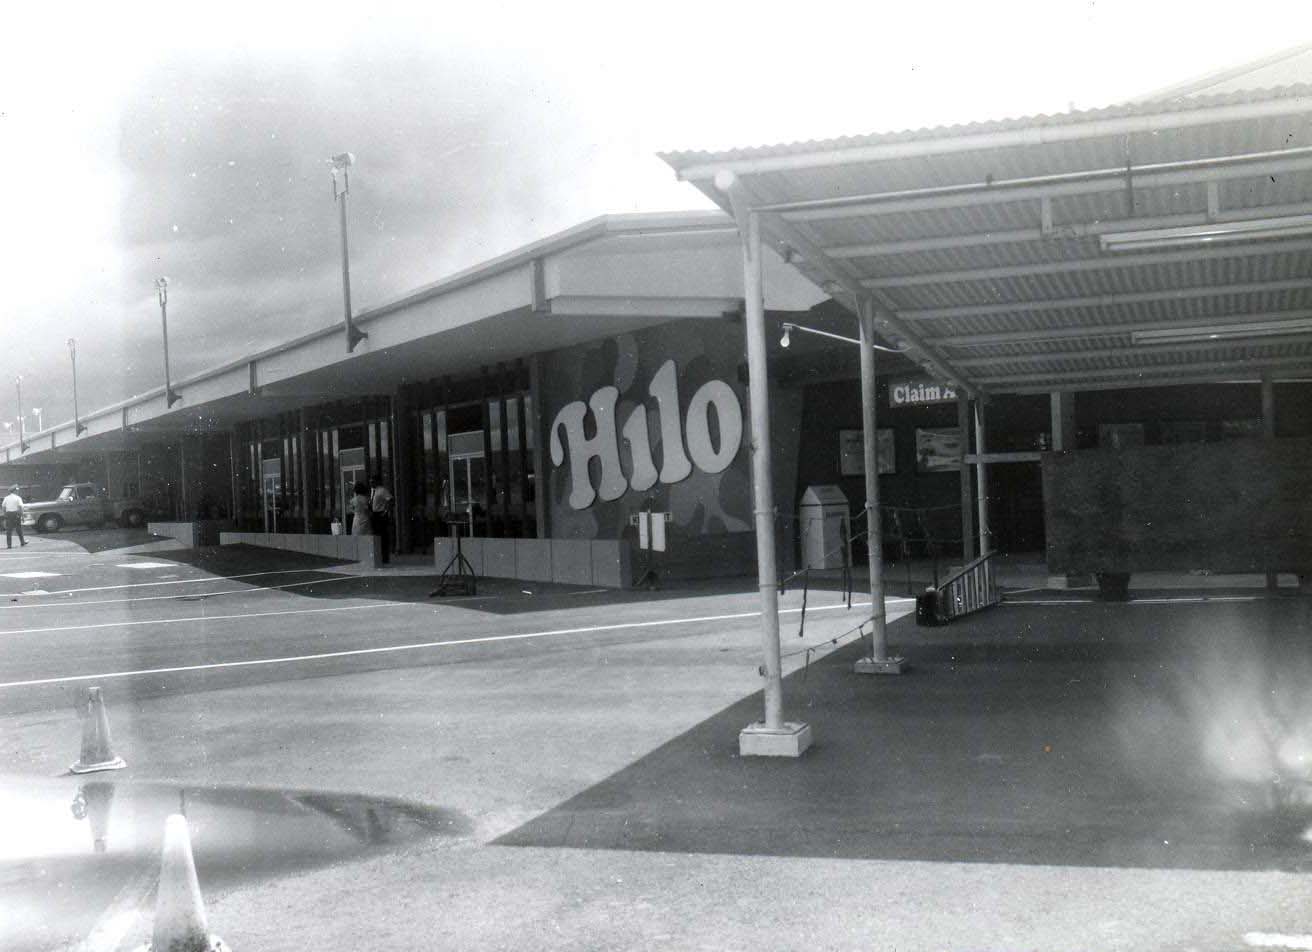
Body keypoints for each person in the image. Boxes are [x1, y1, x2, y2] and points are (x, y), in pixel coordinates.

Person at [369, 475, 394, 565]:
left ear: (377, 481)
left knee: (383, 537)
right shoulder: (373, 491)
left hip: (381, 514)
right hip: (374, 515)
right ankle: (377, 556)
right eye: (370, 482)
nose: (371, 483)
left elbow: (390, 500)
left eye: (372, 481)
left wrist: (386, 510)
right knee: (375, 536)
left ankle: (385, 557)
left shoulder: (382, 490)